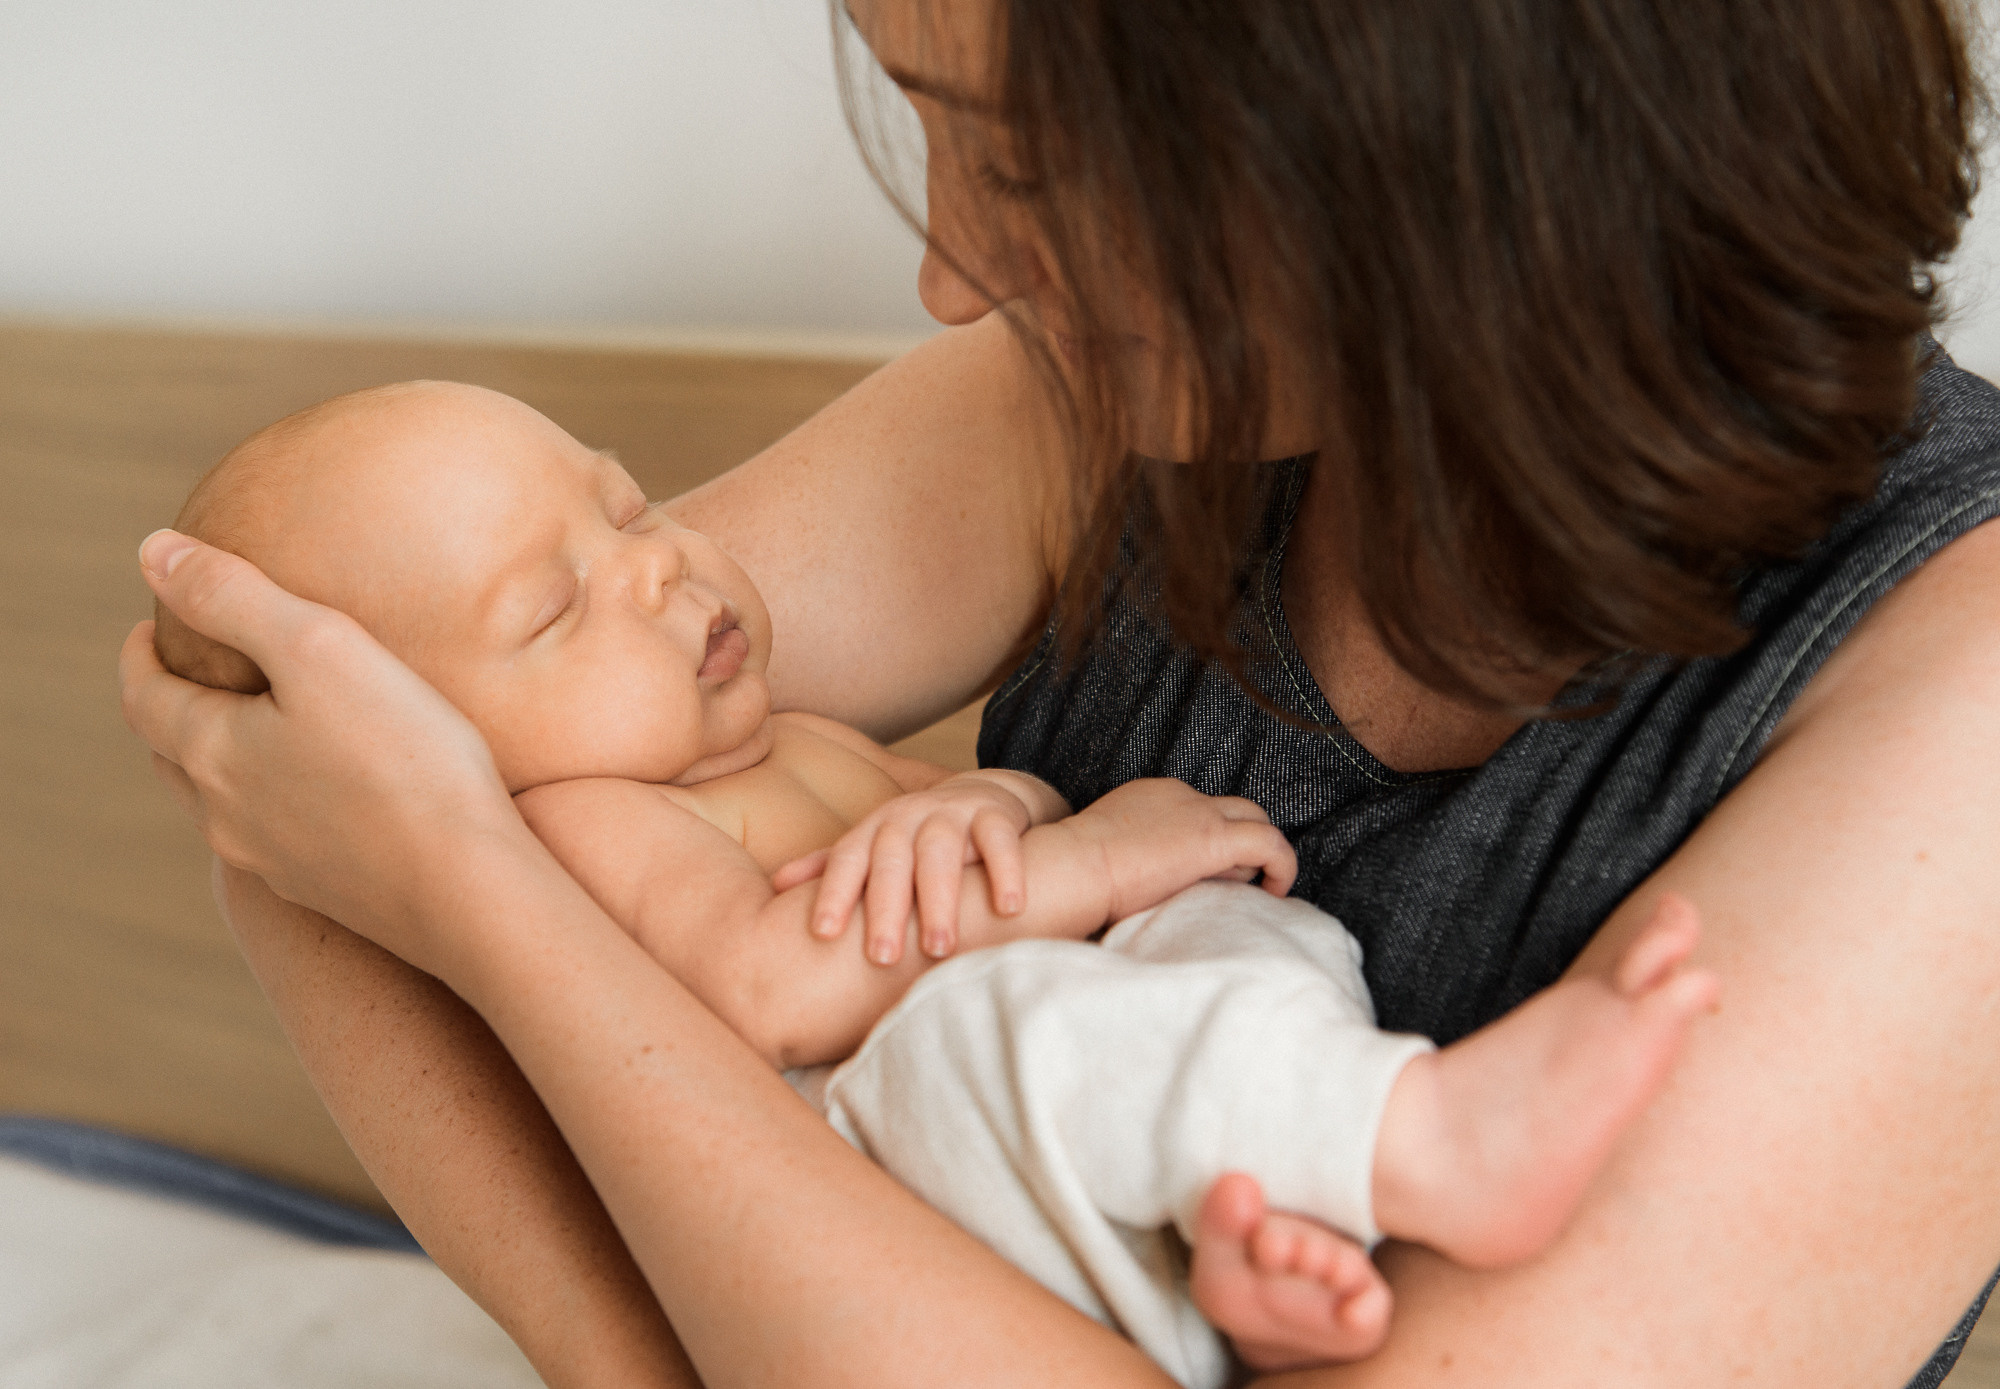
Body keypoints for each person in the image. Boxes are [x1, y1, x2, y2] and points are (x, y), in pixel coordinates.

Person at [119, 1, 2000, 1386]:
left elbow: (415, 828)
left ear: (1395, 161)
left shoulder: (1959, 688)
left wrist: (482, 896)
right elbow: (300, 764)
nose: (947, 275)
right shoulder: (1098, 401)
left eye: (1013, 164)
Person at [149, 379, 1717, 1384]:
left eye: (625, 504)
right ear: (441, 749)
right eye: (557, 607)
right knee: (999, 1026)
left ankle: (1248, 1229)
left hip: (1040, 1199)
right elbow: (775, 981)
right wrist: (1073, 853)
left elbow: (969, 830)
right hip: (901, 1185)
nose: (659, 563)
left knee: (1225, 926)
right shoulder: (581, 827)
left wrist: (987, 800)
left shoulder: (769, 736)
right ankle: (1418, 1132)